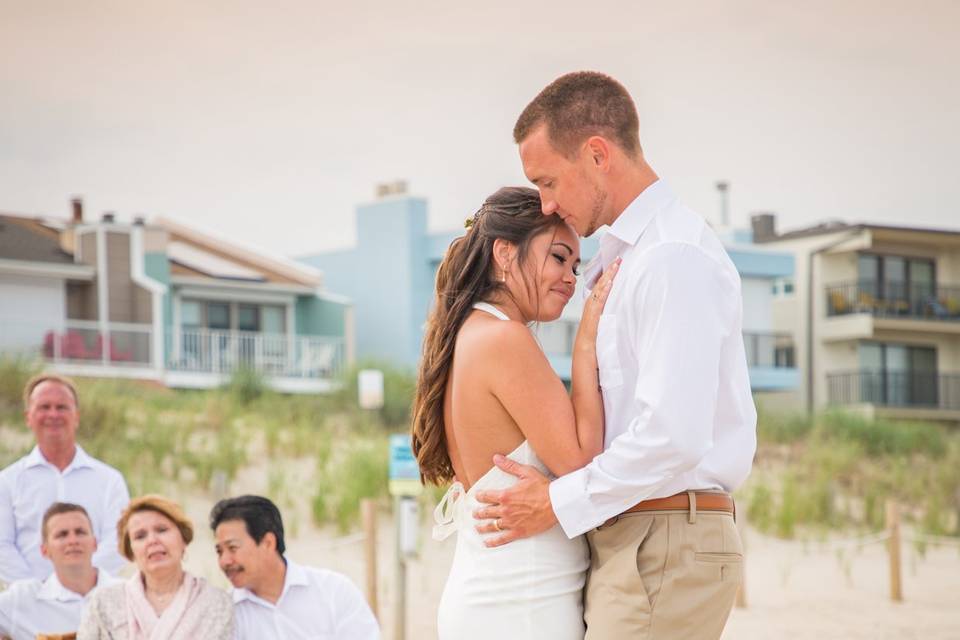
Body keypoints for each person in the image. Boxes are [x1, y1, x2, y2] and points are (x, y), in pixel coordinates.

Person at [472, 71, 757, 639]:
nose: (546, 202)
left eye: (547, 180)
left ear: (597, 154)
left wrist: (556, 501)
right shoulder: (624, 257)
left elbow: (672, 435)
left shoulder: (672, 256)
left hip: (666, 537)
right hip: (638, 534)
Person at [411, 186, 620, 640]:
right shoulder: (505, 340)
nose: (571, 278)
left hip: (495, 599)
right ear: (505, 253)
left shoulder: (470, 333)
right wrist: (586, 345)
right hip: (521, 607)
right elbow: (581, 462)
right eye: (558, 258)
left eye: (576, 265)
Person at [0, 374, 129, 583]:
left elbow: (118, 543)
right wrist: (38, 593)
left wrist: (81, 585)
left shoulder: (109, 480)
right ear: (28, 417)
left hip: (93, 601)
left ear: (76, 416)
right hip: (28, 605)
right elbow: (2, 546)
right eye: (44, 407)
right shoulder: (7, 482)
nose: (53, 414)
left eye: (62, 407)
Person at [210, 495, 379, 640]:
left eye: (233, 548)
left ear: (268, 543)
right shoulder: (225, 615)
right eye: (219, 551)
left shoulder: (334, 591)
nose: (225, 561)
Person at [77, 495, 233, 639]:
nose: (152, 540)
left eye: (162, 530)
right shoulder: (103, 604)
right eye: (140, 536)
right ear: (131, 551)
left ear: (183, 540)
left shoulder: (216, 602)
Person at [0, 503, 116, 640]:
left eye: (80, 532)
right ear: (44, 550)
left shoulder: (127, 592)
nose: (73, 541)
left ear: (94, 543)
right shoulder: (23, 598)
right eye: (62, 535)